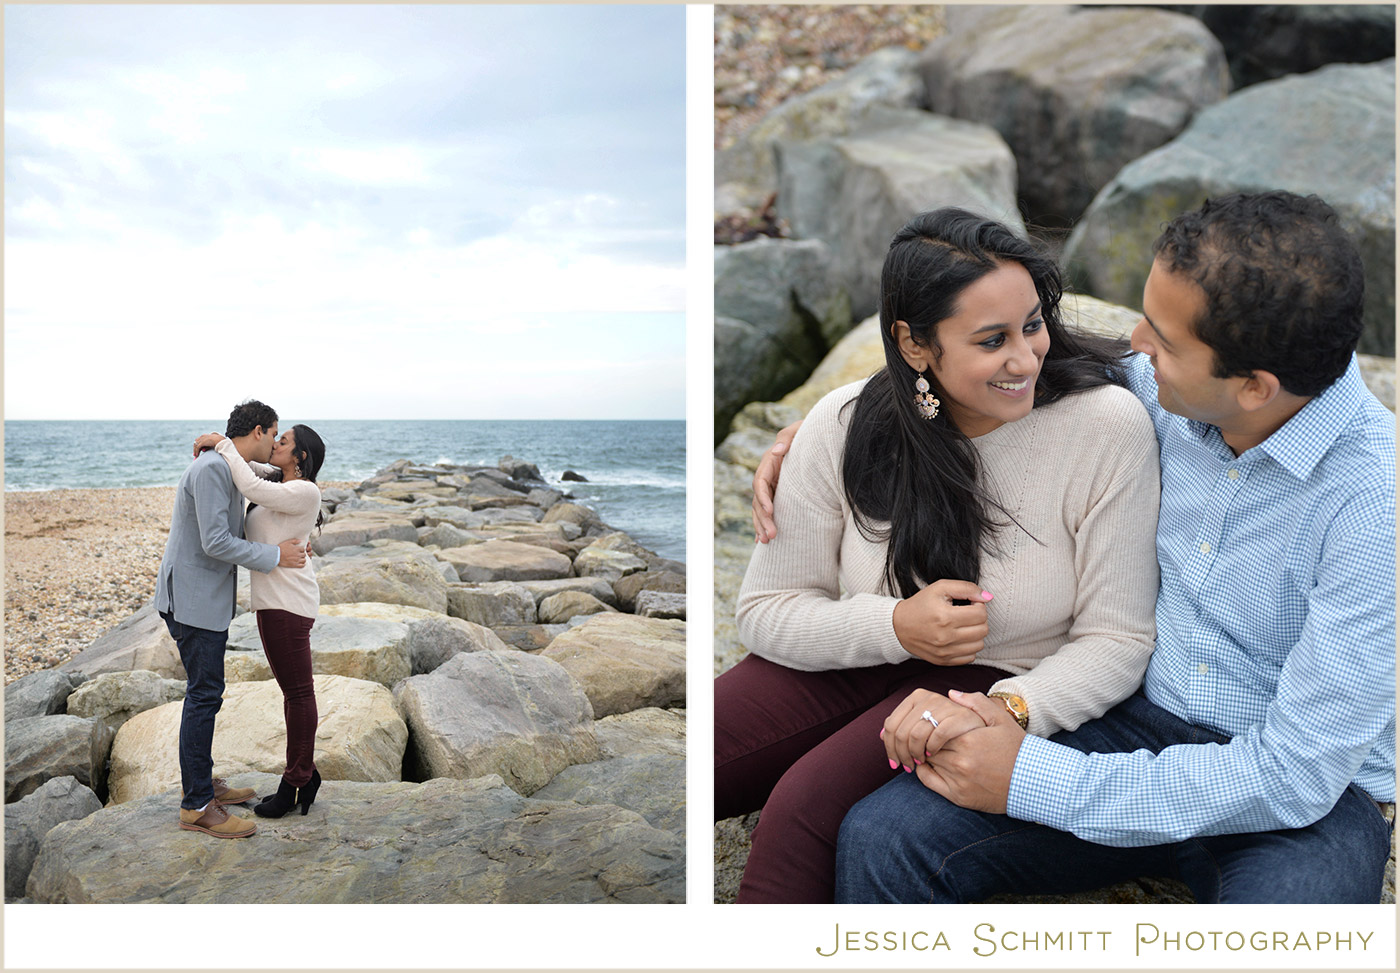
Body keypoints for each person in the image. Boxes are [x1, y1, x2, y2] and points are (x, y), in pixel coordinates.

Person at [759, 192, 1394, 904]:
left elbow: (1295, 774)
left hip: (1299, 803)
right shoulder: (1170, 386)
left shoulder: (1376, 505)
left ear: (1254, 387)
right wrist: (831, 435)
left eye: (1164, 338)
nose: (1136, 342)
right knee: (886, 836)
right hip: (1131, 723)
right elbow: (990, 367)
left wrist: (1028, 778)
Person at [716, 207, 1162, 902]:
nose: (1026, 359)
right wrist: (894, 625)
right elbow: (767, 609)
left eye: (1033, 325)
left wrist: (1009, 709)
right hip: (866, 653)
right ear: (914, 344)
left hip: (1001, 674)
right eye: (992, 341)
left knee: (801, 812)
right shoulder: (843, 423)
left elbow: (1118, 638)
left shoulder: (1105, 426)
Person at [157, 399, 309, 839]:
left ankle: (202, 784)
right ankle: (197, 805)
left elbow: (264, 483)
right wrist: (275, 555)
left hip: (203, 599)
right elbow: (215, 542)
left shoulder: (227, 466)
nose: (275, 443)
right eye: (274, 434)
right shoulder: (211, 470)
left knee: (207, 693)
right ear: (258, 431)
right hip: (192, 600)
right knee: (203, 696)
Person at [194, 422, 327, 818]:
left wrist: (222, 443)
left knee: (298, 695)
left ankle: (297, 781)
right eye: (273, 436)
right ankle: (305, 775)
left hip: (290, 603)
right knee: (293, 694)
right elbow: (248, 468)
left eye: (283, 441)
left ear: (300, 456)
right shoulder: (278, 481)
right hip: (272, 604)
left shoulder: (305, 491)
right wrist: (226, 446)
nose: (275, 443)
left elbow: (250, 486)